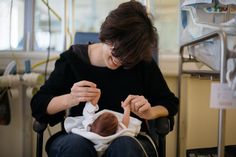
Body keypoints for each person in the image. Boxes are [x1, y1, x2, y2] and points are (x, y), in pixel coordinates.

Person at [30, 1, 179, 157]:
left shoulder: (142, 63)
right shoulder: (72, 60)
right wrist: (71, 98)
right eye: (117, 51)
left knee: (125, 147)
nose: (120, 61)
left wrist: (150, 112)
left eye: (129, 59)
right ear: (108, 34)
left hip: (128, 137)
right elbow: (39, 104)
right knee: (75, 148)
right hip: (81, 135)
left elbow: (169, 103)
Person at [64, 100, 141, 156]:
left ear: (94, 122)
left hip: (90, 147)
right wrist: (126, 109)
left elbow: (87, 113)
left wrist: (92, 102)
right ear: (116, 129)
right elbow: (125, 124)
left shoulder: (88, 126)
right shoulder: (118, 133)